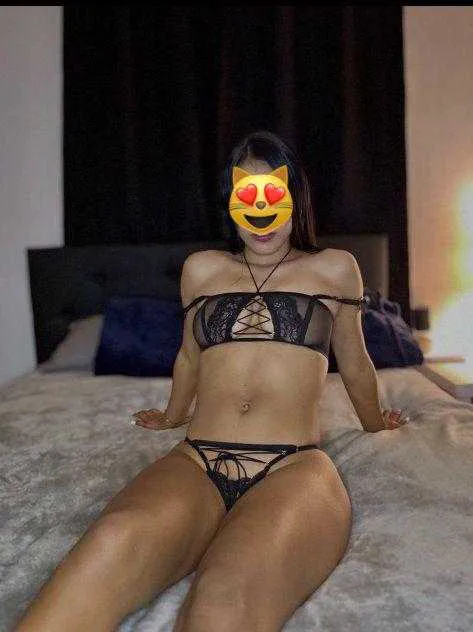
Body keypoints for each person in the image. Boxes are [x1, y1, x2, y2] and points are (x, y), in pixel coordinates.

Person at [15, 130, 408, 632]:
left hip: (291, 464)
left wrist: (376, 423)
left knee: (222, 602)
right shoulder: (201, 269)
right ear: (229, 202)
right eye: (247, 194)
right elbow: (188, 356)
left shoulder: (334, 269)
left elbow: (355, 362)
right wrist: (173, 415)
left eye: (273, 193)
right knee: (113, 537)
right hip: (197, 457)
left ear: (295, 197)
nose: (261, 211)